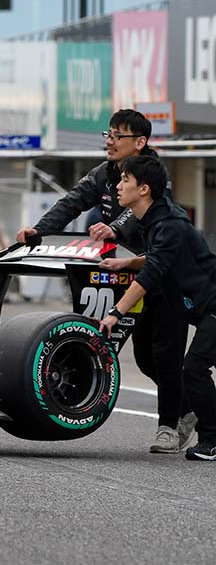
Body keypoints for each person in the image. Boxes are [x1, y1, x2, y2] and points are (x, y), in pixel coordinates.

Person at [16, 109, 192, 454]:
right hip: (129, 277)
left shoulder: (154, 174)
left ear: (140, 142)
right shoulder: (104, 172)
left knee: (167, 356)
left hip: (164, 276)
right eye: (108, 134)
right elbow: (72, 202)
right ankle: (191, 407)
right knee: (145, 359)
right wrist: (39, 230)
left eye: (117, 136)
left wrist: (115, 229)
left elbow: (140, 211)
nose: (109, 142)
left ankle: (169, 427)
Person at [96, 155, 216, 462]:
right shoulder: (154, 220)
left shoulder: (170, 224)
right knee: (182, 367)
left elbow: (150, 275)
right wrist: (126, 262)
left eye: (125, 180)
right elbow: (156, 257)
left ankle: (211, 439)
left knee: (194, 368)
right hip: (201, 307)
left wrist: (115, 313)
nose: (118, 186)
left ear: (144, 189)